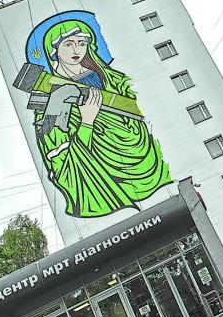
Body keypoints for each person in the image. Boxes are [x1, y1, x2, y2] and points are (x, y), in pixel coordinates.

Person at [28, 19, 172, 218]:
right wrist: (87, 121)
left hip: (138, 150)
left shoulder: (110, 78)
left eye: (81, 43)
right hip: (97, 170)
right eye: (68, 44)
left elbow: (134, 109)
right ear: (54, 51)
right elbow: (59, 156)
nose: (76, 49)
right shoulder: (50, 94)